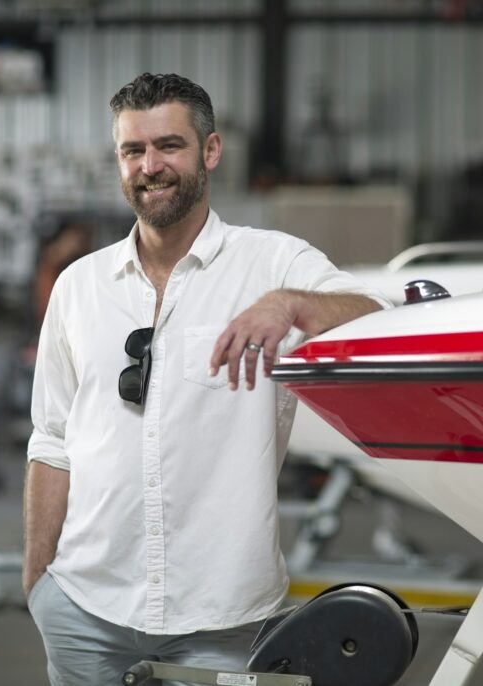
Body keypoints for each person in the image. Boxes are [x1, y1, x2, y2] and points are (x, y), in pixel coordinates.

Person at [22, 72, 389, 685]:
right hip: (83, 608)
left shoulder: (272, 262)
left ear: (210, 151)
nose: (150, 166)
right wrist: (38, 583)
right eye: (133, 150)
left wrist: (292, 305)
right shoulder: (78, 286)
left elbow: (381, 313)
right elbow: (51, 439)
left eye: (169, 146)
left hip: (224, 619)